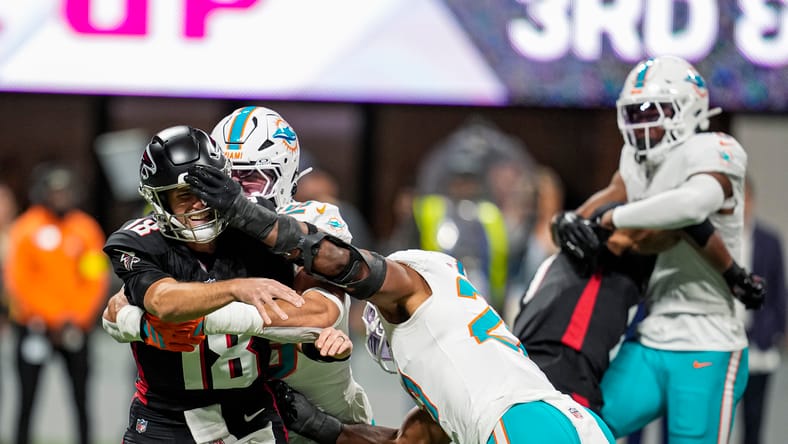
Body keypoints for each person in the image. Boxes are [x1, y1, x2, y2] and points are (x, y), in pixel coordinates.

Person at [184, 163, 616, 443]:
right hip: (578, 422)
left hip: (522, 425)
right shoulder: (456, 334)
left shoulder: (411, 285)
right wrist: (312, 421)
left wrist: (244, 212)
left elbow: (340, 262)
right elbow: (403, 443)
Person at [553, 55, 754, 443]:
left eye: (656, 111)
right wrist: (569, 220)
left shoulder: (716, 149)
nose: (645, 124)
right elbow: (608, 196)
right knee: (581, 429)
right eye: (637, 113)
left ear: (691, 109)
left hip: (708, 339)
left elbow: (691, 205)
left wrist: (613, 218)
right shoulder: (636, 162)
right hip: (652, 332)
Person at [102, 125, 345, 443]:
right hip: (166, 418)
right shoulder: (141, 241)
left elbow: (320, 303)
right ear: (160, 201)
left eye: (206, 191)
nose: (199, 204)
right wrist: (235, 289)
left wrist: (319, 339)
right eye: (185, 195)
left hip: (252, 414)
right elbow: (161, 300)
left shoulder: (262, 231)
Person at [3, 164, 110, 444]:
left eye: (65, 192)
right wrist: (50, 317)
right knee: (27, 398)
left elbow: (95, 278)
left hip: (75, 327)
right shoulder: (27, 228)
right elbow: (19, 281)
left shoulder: (86, 229)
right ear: (42, 193)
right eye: (54, 192)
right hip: (33, 326)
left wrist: (76, 317)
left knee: (81, 398)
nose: (60, 198)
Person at [738, 178, 786, 444]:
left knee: (755, 418)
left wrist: (778, 330)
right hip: (727, 340)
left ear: (752, 201)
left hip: (760, 340)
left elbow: (779, 288)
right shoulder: (719, 240)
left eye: (745, 200)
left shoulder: (769, 240)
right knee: (722, 416)